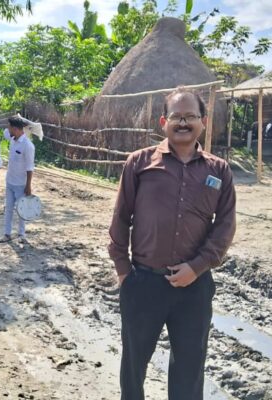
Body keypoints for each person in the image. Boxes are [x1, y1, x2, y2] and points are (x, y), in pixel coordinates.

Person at [108, 88, 236, 400]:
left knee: (190, 372)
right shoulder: (139, 163)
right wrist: (125, 273)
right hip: (143, 282)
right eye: (176, 116)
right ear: (163, 121)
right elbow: (120, 219)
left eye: (190, 116)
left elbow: (225, 227)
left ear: (202, 122)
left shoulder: (219, 170)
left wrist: (197, 267)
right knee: (133, 370)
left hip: (194, 288)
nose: (183, 122)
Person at [0, 117, 34, 244]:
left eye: (9, 127)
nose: (7, 130)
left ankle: (21, 234)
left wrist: (28, 186)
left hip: (21, 184)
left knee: (21, 209)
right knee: (8, 208)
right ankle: (7, 234)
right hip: (10, 181)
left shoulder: (28, 145)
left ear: (15, 129)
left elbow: (30, 167)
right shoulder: (13, 139)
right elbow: (6, 133)